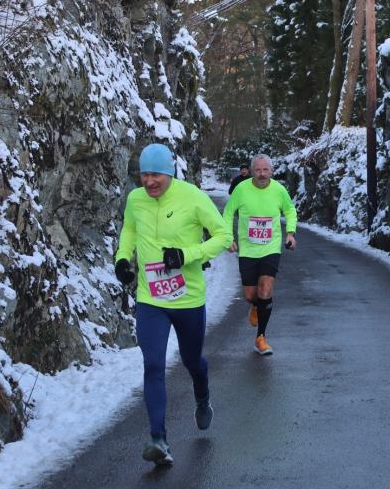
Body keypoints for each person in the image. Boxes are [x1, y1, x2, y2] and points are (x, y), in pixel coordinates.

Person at [114, 143, 232, 466]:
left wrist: (186, 255)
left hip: (187, 298)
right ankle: (158, 439)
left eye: (156, 176)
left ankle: (202, 393)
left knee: (192, 361)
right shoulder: (136, 199)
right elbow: (129, 230)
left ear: (170, 174)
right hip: (150, 298)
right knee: (153, 364)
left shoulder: (192, 197)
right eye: (144, 175)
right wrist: (123, 258)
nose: (149, 182)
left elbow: (222, 235)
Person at [222, 154, 297, 356]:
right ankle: (256, 306)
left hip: (270, 248)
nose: (262, 174)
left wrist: (290, 233)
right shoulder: (241, 189)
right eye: (258, 170)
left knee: (265, 288)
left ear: (271, 171)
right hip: (248, 249)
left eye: (265, 170)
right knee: (250, 295)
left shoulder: (279, 190)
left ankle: (261, 337)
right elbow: (228, 213)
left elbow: (290, 211)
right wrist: (228, 238)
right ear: (251, 171)